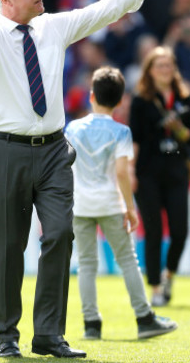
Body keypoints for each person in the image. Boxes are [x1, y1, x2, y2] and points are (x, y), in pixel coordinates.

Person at [0, 0, 190, 359]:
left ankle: (48, 335)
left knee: (60, 234)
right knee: (9, 246)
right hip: (6, 151)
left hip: (54, 151)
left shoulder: (53, 27)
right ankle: (7, 336)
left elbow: (109, 8)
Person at [64, 66, 178, 341]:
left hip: (80, 204)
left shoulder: (73, 128)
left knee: (87, 264)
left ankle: (91, 324)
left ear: (91, 96)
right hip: (110, 203)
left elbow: (65, 166)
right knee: (127, 260)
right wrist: (130, 207)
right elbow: (121, 173)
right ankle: (144, 317)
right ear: (119, 101)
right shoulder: (121, 132)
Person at [129, 46, 190, 307]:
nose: (165, 70)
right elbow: (134, 139)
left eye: (168, 65)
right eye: (160, 66)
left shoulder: (184, 99)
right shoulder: (140, 100)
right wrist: (131, 171)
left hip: (177, 169)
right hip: (148, 173)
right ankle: (155, 287)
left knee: (180, 230)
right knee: (153, 231)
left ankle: (169, 274)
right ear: (150, 71)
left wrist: (177, 127)